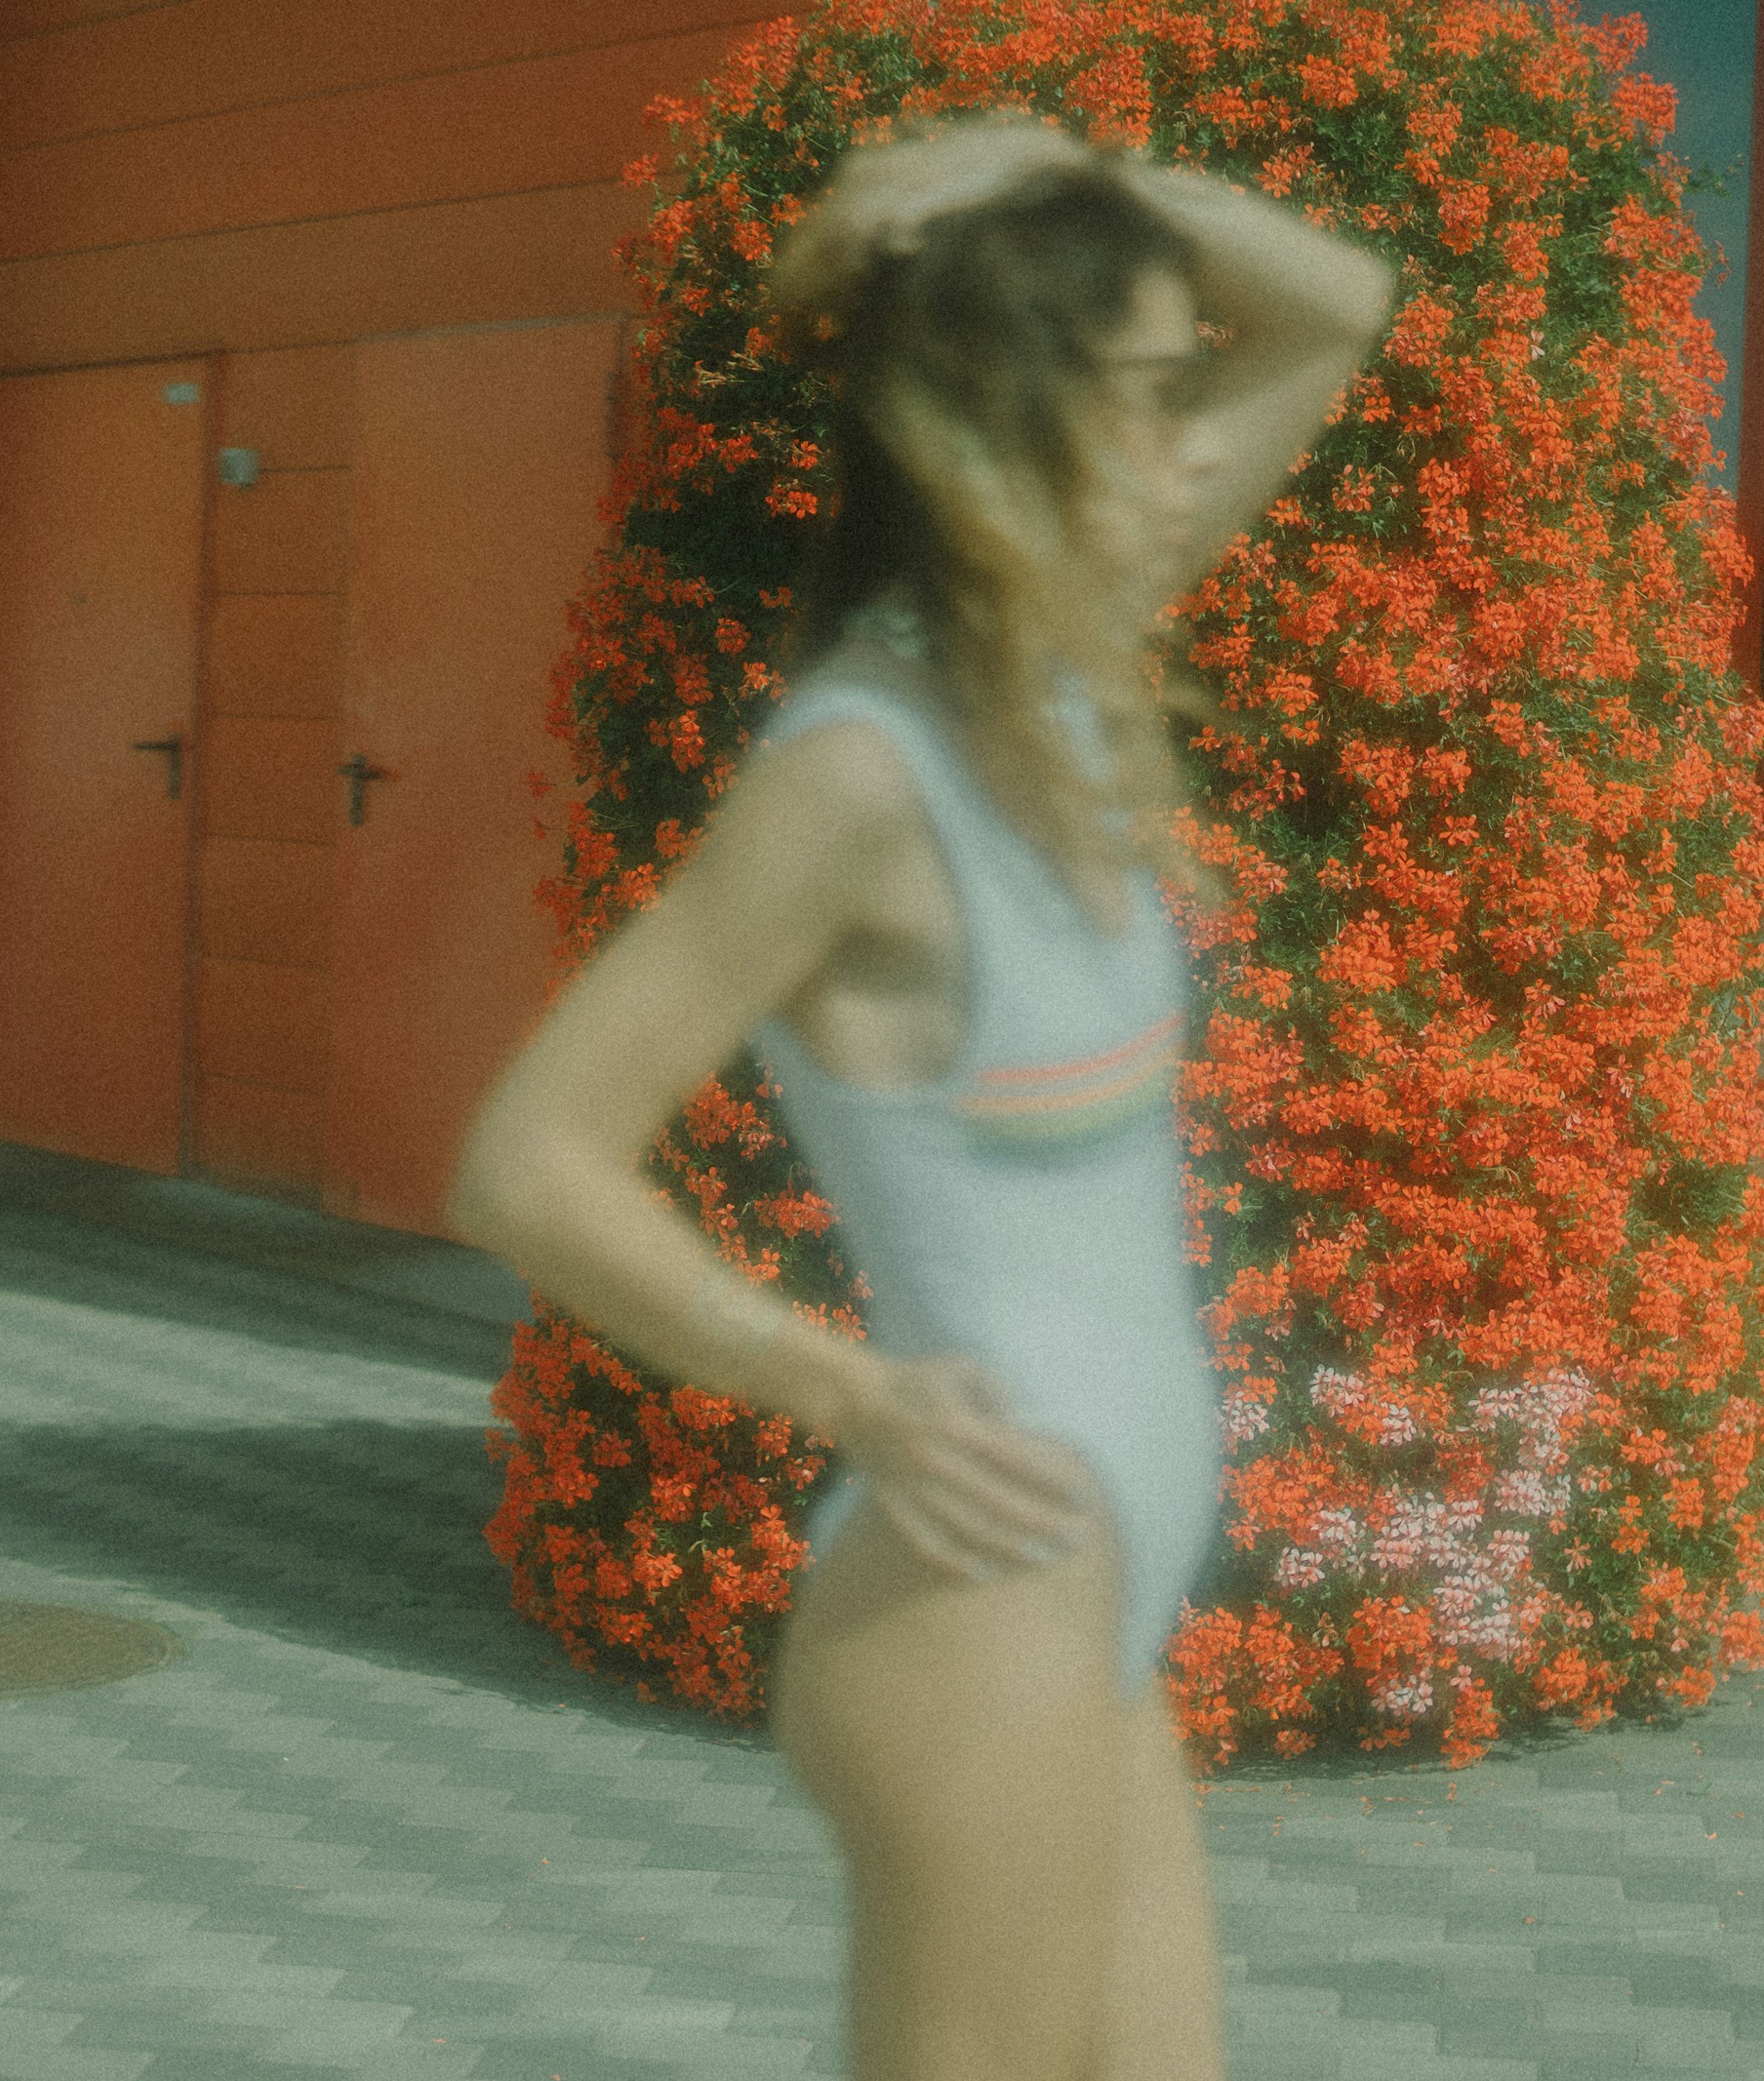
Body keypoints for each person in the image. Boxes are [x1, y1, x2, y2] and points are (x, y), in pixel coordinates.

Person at [451, 108, 1394, 2081]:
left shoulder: (1057, 671)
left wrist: (1061, 177)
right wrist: (843, 1387)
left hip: (1088, 1579)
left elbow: (1339, 302)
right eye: (1146, 394)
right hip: (977, 1593)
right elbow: (529, 1159)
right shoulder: (859, 775)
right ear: (1004, 428)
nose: (1190, 442)